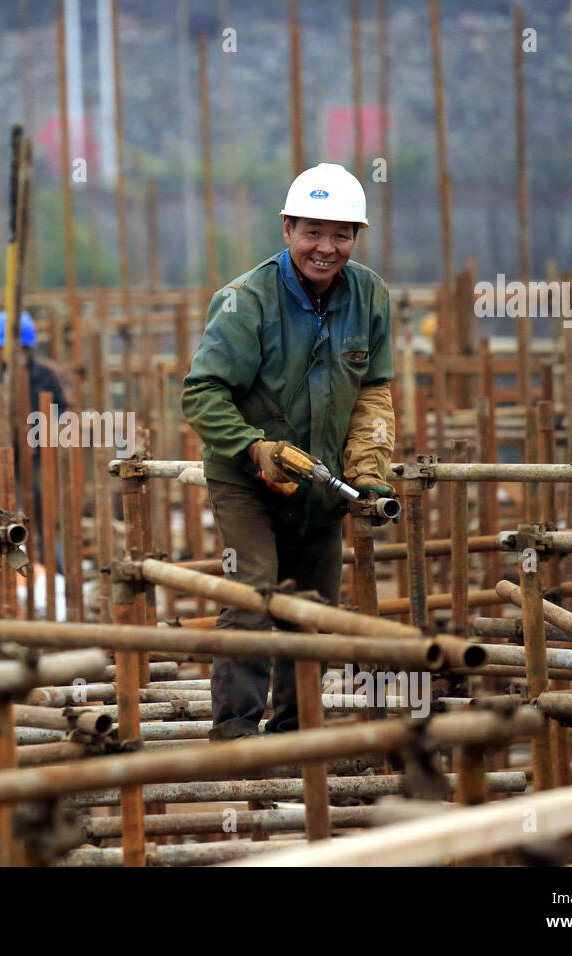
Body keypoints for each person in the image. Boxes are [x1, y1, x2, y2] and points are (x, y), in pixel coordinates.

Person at [181, 162, 396, 740]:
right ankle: (235, 734)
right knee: (253, 594)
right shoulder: (244, 300)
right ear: (287, 229)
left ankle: (295, 734)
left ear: (356, 236)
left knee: (311, 610)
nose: (326, 248)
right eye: (312, 232)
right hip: (246, 477)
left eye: (341, 234)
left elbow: (373, 394)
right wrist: (255, 448)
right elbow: (202, 393)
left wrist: (368, 471)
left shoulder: (370, 294)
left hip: (318, 481)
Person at [0, 309, 69, 569]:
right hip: (7, 456)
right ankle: (17, 570)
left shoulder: (45, 376)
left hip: (38, 456)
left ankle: (54, 569)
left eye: (1, 347)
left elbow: (63, 411)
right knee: (9, 514)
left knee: (43, 514)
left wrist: (43, 433)